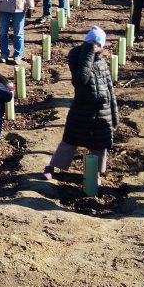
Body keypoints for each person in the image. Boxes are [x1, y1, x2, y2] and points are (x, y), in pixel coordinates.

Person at [44, 27, 118, 180]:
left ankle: (95, 173)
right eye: (92, 42)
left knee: (100, 144)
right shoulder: (77, 57)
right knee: (70, 139)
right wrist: (89, 52)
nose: (95, 46)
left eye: (98, 43)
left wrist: (114, 116)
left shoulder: (102, 63)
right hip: (82, 108)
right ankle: (52, 166)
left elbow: (110, 90)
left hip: (102, 111)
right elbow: (80, 80)